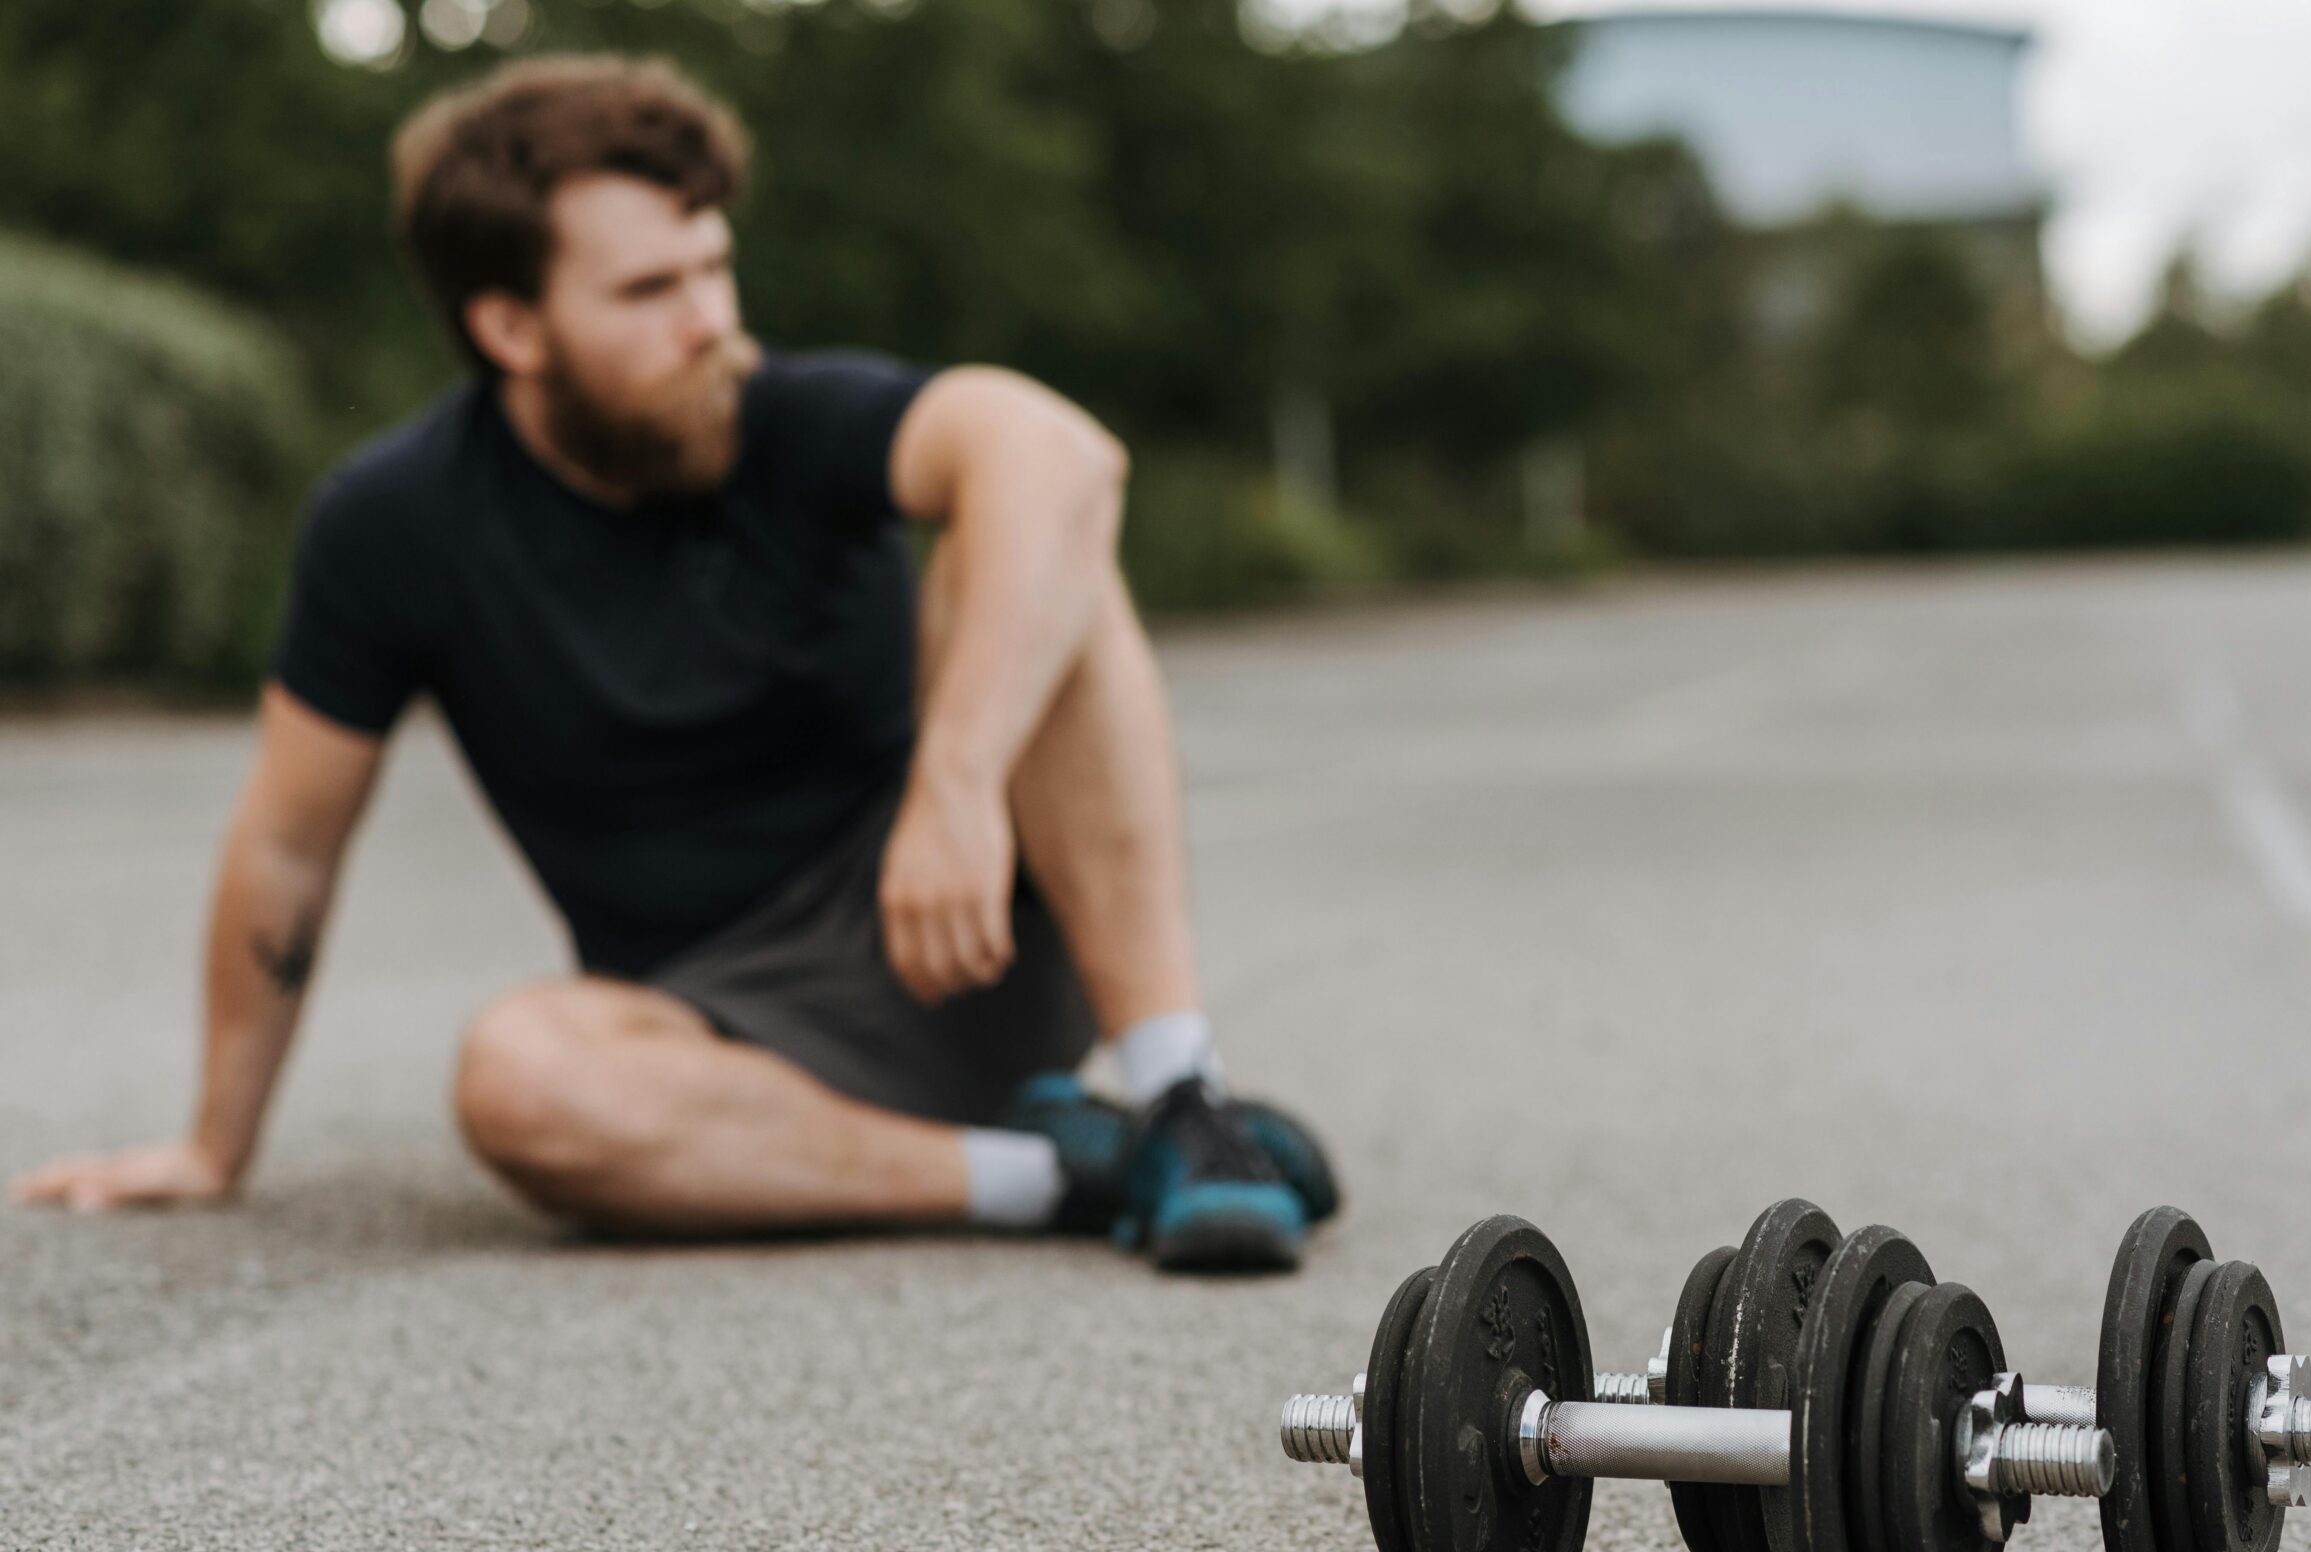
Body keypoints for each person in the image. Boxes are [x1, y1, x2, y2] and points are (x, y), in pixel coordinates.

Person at [9, 54, 1335, 1271]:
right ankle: (1058, 1175)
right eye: (652, 290)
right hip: (726, 1042)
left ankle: (1178, 1097)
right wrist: (211, 1144)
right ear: (512, 329)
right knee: (516, 1075)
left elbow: (1061, 453)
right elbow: (288, 844)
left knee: (1052, 555)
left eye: (714, 265)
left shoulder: (790, 417)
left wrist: (958, 780)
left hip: (969, 922)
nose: (712, 320)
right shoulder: (393, 522)